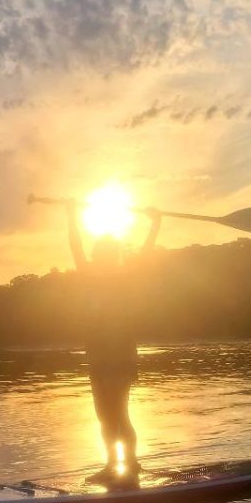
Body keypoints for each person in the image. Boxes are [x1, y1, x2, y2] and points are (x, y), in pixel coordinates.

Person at [67, 201, 161, 481]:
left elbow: (145, 254)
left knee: (118, 414)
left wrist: (155, 224)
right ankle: (112, 465)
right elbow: (75, 247)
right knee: (103, 416)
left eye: (103, 254)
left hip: (120, 356)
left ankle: (129, 463)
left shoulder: (125, 279)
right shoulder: (89, 277)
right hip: (97, 357)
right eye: (98, 254)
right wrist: (71, 216)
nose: (97, 258)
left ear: (111, 256)